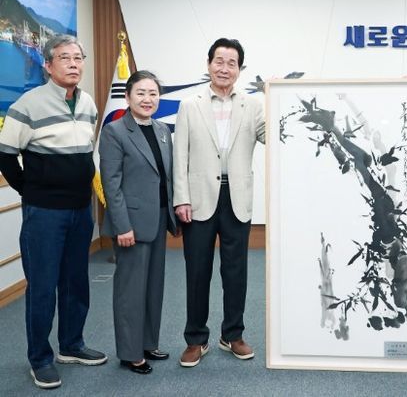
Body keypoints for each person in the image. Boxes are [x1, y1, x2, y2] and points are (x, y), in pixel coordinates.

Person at [0, 35, 107, 389]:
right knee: (43, 287)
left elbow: (84, 151)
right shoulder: (28, 104)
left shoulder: (87, 102)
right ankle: (40, 358)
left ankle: (72, 345)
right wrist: (30, 190)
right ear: (47, 65)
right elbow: (5, 155)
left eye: (78, 57)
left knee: (76, 282)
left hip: (80, 210)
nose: (74, 64)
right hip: (44, 213)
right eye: (65, 58)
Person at [173, 37, 265, 367]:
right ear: (209, 64)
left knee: (236, 272)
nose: (225, 68)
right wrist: (181, 198)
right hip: (198, 199)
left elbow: (274, 136)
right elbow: (180, 155)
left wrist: (281, 98)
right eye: (219, 61)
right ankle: (196, 339)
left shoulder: (253, 105)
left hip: (237, 197)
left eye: (232, 63)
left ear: (240, 69)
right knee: (197, 272)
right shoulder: (190, 105)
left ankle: (233, 334)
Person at [99, 71, 177, 374]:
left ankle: (148, 342)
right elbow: (111, 184)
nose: (148, 99)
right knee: (130, 291)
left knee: (153, 287)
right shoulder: (115, 131)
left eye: (153, 93)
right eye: (141, 93)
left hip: (158, 218)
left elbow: (165, 176)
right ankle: (131, 353)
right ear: (128, 96)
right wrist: (122, 226)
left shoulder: (161, 129)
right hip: (130, 224)